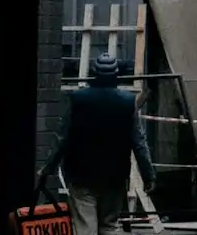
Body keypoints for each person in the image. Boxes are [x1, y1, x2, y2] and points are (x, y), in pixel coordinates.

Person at [40, 52, 157, 235]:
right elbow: (139, 142)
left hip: (81, 175)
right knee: (109, 226)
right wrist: (148, 175)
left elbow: (61, 139)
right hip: (114, 177)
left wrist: (48, 168)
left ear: (94, 73)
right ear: (116, 75)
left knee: (85, 226)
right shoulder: (127, 103)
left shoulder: (78, 99)